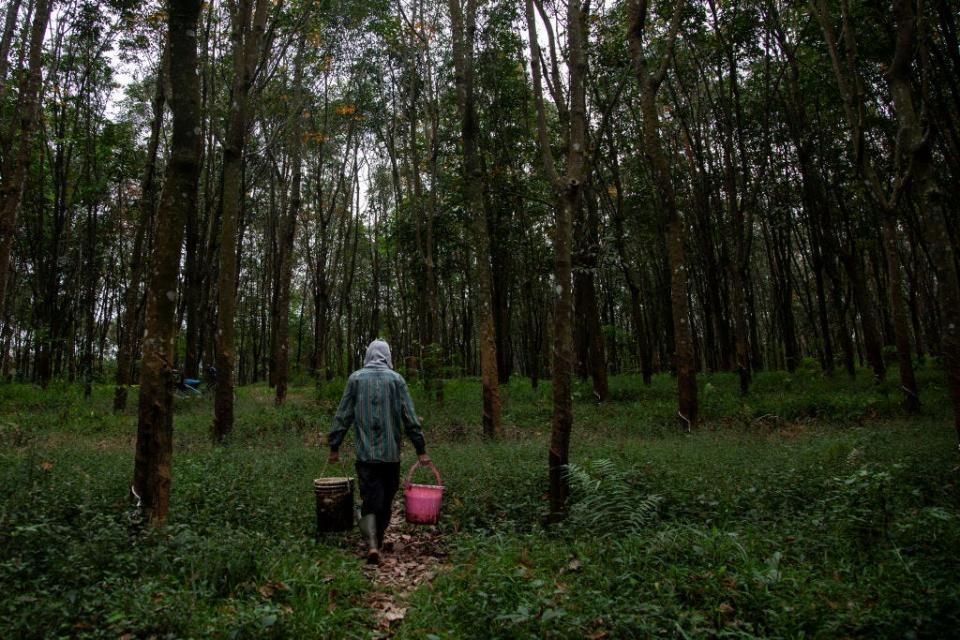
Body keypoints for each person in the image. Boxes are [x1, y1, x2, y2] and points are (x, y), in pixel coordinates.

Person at [327, 339, 430, 564]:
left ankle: (373, 543)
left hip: (365, 456)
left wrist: (334, 445)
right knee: (385, 499)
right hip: (391, 456)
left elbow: (343, 414)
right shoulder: (396, 380)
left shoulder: (355, 379)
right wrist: (420, 449)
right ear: (387, 356)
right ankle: (376, 541)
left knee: (370, 498)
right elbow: (409, 416)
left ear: (368, 355)